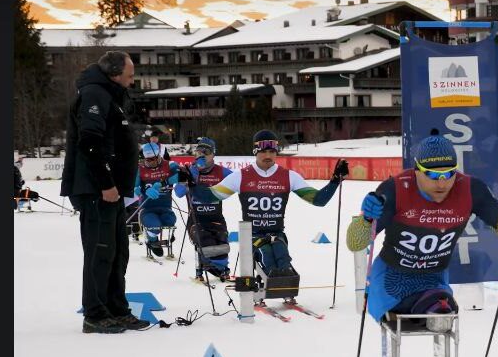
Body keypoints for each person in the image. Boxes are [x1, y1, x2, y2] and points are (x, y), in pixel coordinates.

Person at [345, 131, 498, 357]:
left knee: (442, 313)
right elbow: (355, 243)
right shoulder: (395, 190)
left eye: (448, 173)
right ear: (416, 171)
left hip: (432, 279)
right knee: (404, 318)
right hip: (393, 278)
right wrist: (365, 219)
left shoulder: (471, 189)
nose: (442, 182)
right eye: (433, 175)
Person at [190, 129, 348, 306]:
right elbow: (210, 196)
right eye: (263, 151)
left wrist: (335, 180)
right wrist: (190, 183)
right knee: (266, 257)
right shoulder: (241, 176)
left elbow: (318, 200)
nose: (268, 156)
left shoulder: (288, 176)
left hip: (277, 233)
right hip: (252, 235)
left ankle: (287, 290)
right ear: (255, 152)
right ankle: (265, 291)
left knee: (283, 257)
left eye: (272, 151)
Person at [60, 50, 150, 334]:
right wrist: (106, 184)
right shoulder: (95, 95)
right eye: (130, 74)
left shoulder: (111, 95)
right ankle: (95, 314)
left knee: (118, 252)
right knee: (100, 252)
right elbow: (90, 143)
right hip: (98, 190)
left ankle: (117, 309)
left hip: (113, 191)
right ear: (114, 73)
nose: (132, 80)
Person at [176, 136, 232, 281]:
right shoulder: (187, 169)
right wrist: (193, 174)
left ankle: (218, 266)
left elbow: (238, 184)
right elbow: (179, 193)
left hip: (216, 218)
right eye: (198, 151)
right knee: (205, 240)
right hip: (196, 219)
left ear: (213, 154)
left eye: (206, 152)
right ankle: (212, 265)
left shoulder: (222, 172)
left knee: (223, 243)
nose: (201, 155)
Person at [133, 142, 183, 258]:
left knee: (170, 221)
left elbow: (182, 175)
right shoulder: (140, 168)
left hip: (165, 206)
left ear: (159, 155)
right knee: (155, 226)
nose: (151, 162)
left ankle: (153, 236)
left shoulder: (170, 165)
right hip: (147, 208)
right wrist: (144, 190)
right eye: (148, 160)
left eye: (154, 159)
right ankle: (152, 240)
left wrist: (165, 182)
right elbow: (136, 189)